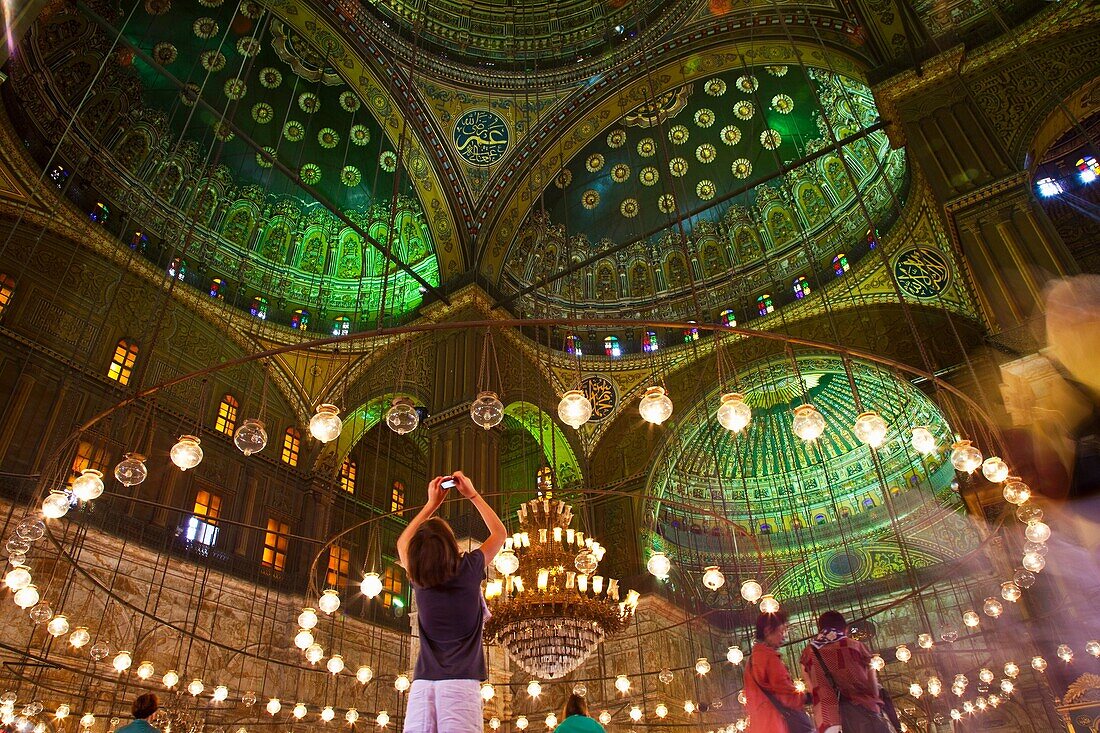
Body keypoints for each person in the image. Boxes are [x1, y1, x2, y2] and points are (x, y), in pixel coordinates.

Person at [398, 471, 507, 733]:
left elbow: (402, 542)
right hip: (460, 686)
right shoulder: (467, 569)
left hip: (422, 686)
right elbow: (500, 534)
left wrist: (431, 504)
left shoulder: (419, 577)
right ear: (450, 545)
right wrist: (472, 494)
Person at [799, 611, 889, 733]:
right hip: (863, 714)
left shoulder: (807, 654)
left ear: (820, 629)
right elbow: (872, 683)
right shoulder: (856, 646)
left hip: (828, 720)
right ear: (845, 629)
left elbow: (811, 689)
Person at [745, 610, 812, 732]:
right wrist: (809, 697)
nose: (784, 636)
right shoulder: (769, 658)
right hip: (778, 724)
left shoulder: (751, 661)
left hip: (760, 725)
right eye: (782, 631)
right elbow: (786, 695)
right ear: (768, 631)